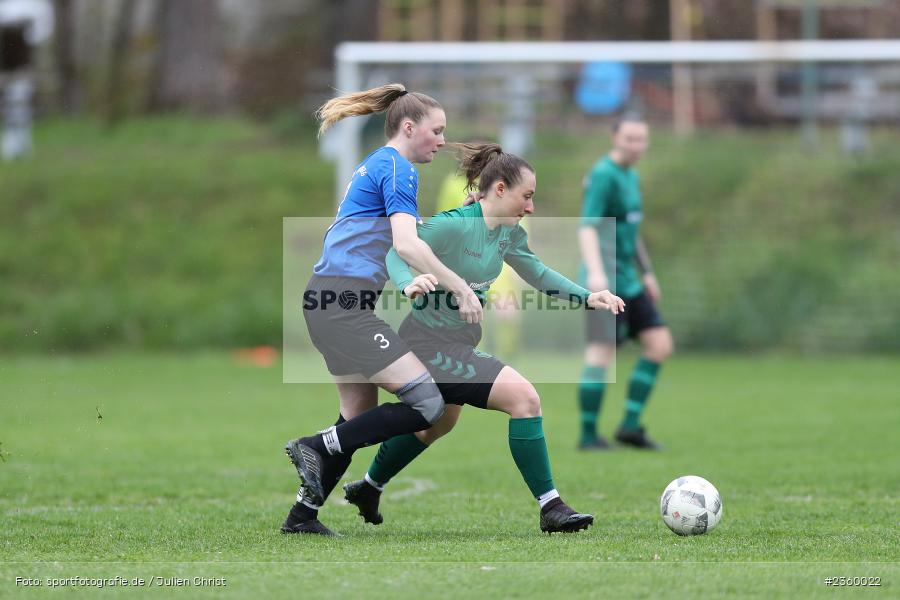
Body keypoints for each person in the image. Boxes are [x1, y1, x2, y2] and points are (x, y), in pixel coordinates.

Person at [341, 143, 625, 534]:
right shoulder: (455, 225)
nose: (531, 207)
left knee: (438, 424)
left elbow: (538, 273)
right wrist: (408, 284)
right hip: (428, 345)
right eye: (527, 196)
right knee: (525, 398)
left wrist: (588, 297)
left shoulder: (508, 234)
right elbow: (397, 250)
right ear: (501, 189)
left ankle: (368, 487)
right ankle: (551, 507)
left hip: (456, 344)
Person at [281, 84, 484, 536]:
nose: (442, 140)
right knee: (428, 403)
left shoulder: (380, 164)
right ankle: (315, 445)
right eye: (437, 130)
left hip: (328, 299)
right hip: (343, 305)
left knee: (357, 418)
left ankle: (301, 517)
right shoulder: (399, 168)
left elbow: (409, 232)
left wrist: (462, 217)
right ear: (409, 127)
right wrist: (460, 288)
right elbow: (406, 244)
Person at [576, 117, 674, 451]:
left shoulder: (631, 176)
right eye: (629, 139)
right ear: (614, 138)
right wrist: (596, 272)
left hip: (631, 282)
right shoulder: (603, 175)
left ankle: (630, 427)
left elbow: (631, 230)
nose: (636, 145)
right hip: (606, 282)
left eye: (641, 139)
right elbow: (587, 226)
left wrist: (647, 272)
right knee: (601, 354)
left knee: (659, 345)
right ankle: (588, 436)